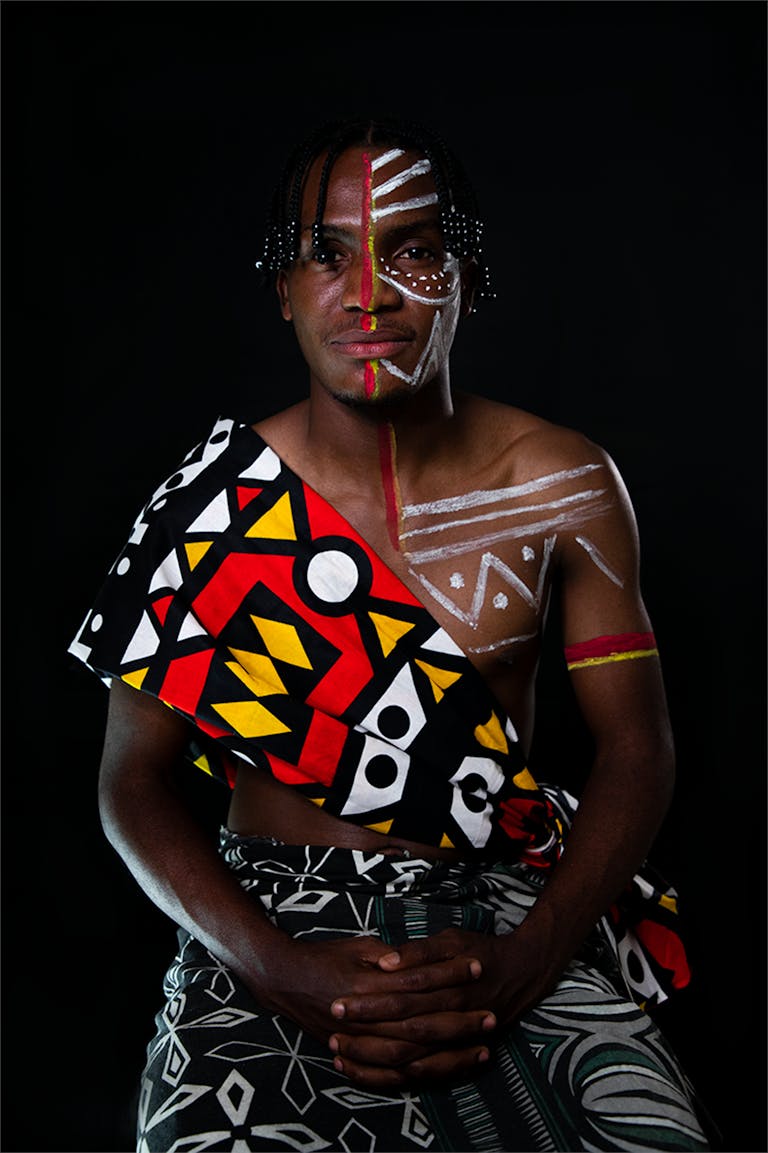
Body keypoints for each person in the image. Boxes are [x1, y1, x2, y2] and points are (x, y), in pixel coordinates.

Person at [69, 116, 717, 1152]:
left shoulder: (561, 484)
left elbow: (638, 751)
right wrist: (282, 970)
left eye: (413, 251)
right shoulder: (214, 505)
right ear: (283, 291)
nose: (368, 293)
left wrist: (525, 962)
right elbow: (130, 783)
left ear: (467, 278)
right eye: (327, 255)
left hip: (503, 908)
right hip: (266, 915)